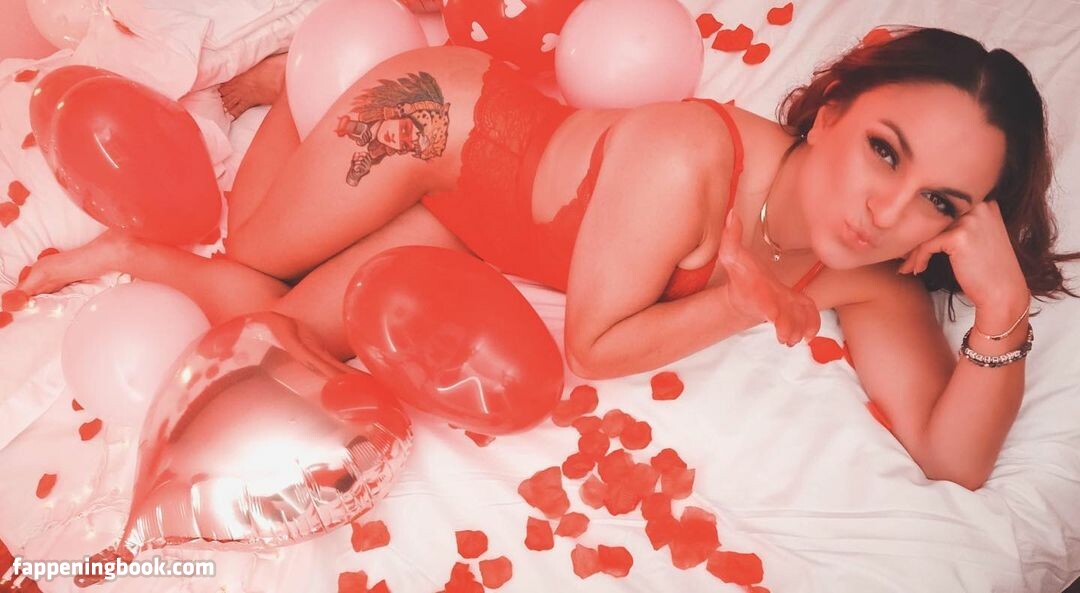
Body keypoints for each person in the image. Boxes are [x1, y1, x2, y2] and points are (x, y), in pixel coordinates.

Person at [16, 26, 1080, 490]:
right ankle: (308, 81)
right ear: (836, 109)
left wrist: (999, 313)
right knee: (254, 255)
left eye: (939, 201)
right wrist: (743, 301)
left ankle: (150, 232)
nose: (887, 210)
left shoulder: (869, 267)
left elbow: (954, 457)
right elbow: (597, 344)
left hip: (483, 226)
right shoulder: (691, 153)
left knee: (277, 327)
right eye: (884, 151)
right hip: (439, 126)